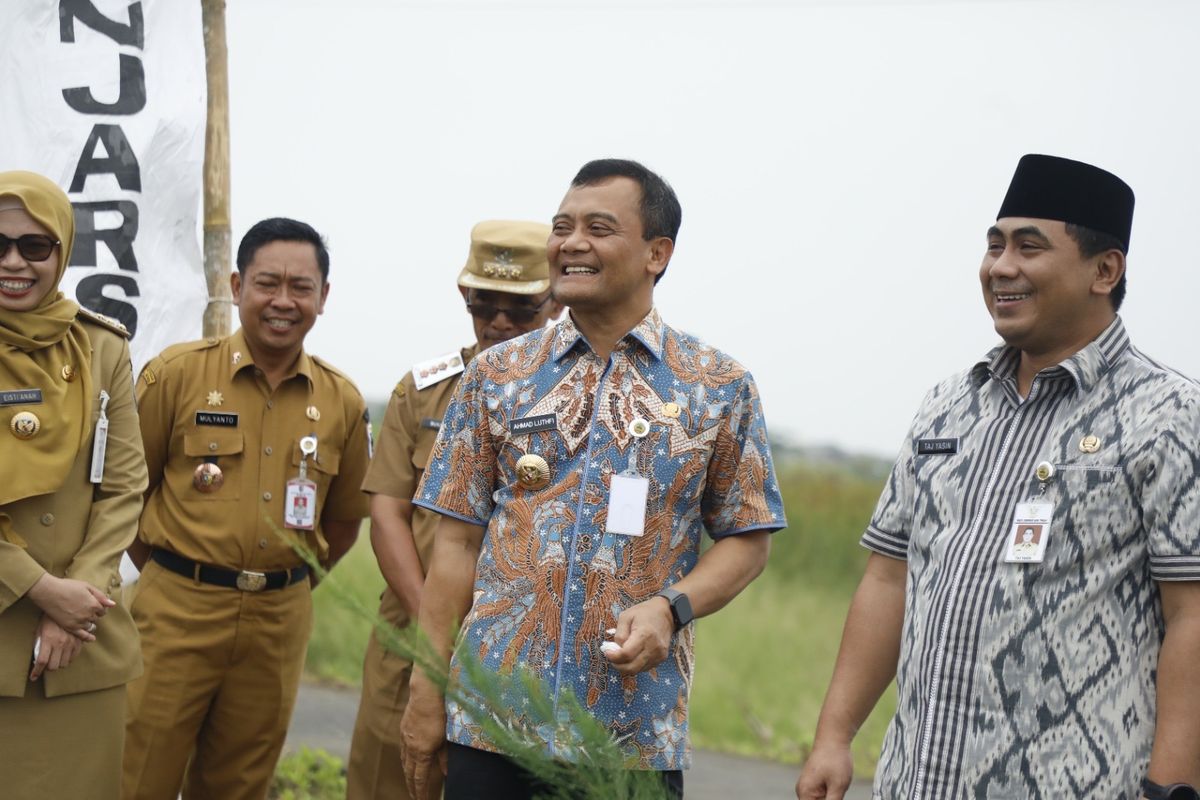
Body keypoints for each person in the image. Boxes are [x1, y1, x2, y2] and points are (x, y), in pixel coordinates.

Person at [796, 155, 1200, 800]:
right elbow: (887, 577)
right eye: (994, 245)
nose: (1001, 267)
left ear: (1105, 270)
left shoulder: (1171, 415)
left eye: (1029, 247)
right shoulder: (947, 405)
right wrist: (834, 738)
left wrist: (1173, 790)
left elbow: (1192, 618)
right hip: (916, 782)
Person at [400, 159, 787, 800]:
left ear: (656, 254)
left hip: (631, 735)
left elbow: (749, 542)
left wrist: (671, 608)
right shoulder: (496, 376)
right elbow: (455, 546)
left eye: (598, 228)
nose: (571, 243)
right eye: (562, 226)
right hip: (493, 724)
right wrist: (424, 689)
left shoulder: (718, 387)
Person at [122, 217, 372, 799]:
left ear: (323, 298)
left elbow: (342, 521)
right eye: (267, 283)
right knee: (136, 772)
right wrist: (172, 570)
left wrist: (284, 583)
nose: (283, 301)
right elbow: (130, 494)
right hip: (176, 609)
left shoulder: (341, 399)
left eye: (300, 287)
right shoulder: (177, 374)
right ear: (237, 286)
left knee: (240, 782)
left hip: (278, 619)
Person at [345, 219, 563, 799]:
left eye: (519, 310)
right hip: (415, 627)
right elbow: (387, 512)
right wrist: (434, 626)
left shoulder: (580, 398)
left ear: (556, 305)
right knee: (388, 783)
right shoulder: (424, 391)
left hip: (521, 650)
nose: (498, 323)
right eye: (482, 304)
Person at [0, 170, 147, 799]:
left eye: (35, 246)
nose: (14, 262)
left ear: (62, 250)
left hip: (75, 647)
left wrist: (76, 601)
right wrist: (39, 588)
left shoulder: (100, 346)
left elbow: (123, 486)